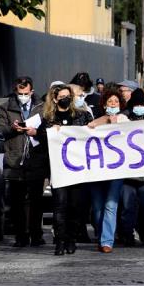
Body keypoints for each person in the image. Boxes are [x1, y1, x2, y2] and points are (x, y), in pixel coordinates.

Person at [0, 76, 48, 247]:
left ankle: (36, 234)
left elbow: (49, 129)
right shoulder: (6, 107)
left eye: (26, 93)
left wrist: (36, 132)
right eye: (20, 93)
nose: (23, 96)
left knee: (36, 200)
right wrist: (12, 128)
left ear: (31, 91)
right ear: (15, 91)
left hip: (36, 158)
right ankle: (21, 236)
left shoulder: (41, 107)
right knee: (17, 201)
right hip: (14, 159)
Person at [42, 84, 93, 255]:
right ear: (55, 99)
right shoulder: (48, 118)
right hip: (58, 169)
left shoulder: (81, 115)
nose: (66, 99)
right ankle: (60, 240)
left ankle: (71, 239)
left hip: (77, 169)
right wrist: (50, 131)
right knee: (60, 206)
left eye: (68, 96)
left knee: (75, 206)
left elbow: (92, 132)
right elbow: (42, 140)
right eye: (62, 96)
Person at [88, 89, 129, 253]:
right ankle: (101, 233)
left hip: (116, 169)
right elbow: (88, 129)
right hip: (97, 169)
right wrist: (103, 121)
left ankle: (107, 241)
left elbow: (127, 136)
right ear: (104, 104)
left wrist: (114, 124)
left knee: (110, 205)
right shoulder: (96, 119)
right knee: (98, 208)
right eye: (110, 101)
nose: (113, 104)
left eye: (116, 102)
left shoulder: (124, 120)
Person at [120, 89, 144, 246]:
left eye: (142, 104)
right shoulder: (122, 119)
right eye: (136, 104)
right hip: (127, 174)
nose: (139, 107)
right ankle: (127, 235)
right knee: (127, 207)